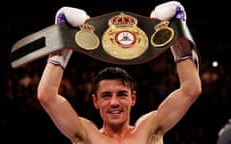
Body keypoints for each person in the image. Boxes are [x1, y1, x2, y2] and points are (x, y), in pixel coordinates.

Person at [37, 1, 202, 143]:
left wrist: (178, 33)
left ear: (133, 98)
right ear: (95, 101)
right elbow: (46, 96)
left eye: (122, 94)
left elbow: (191, 90)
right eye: (106, 95)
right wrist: (61, 42)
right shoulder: (85, 134)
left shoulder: (150, 129)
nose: (114, 102)